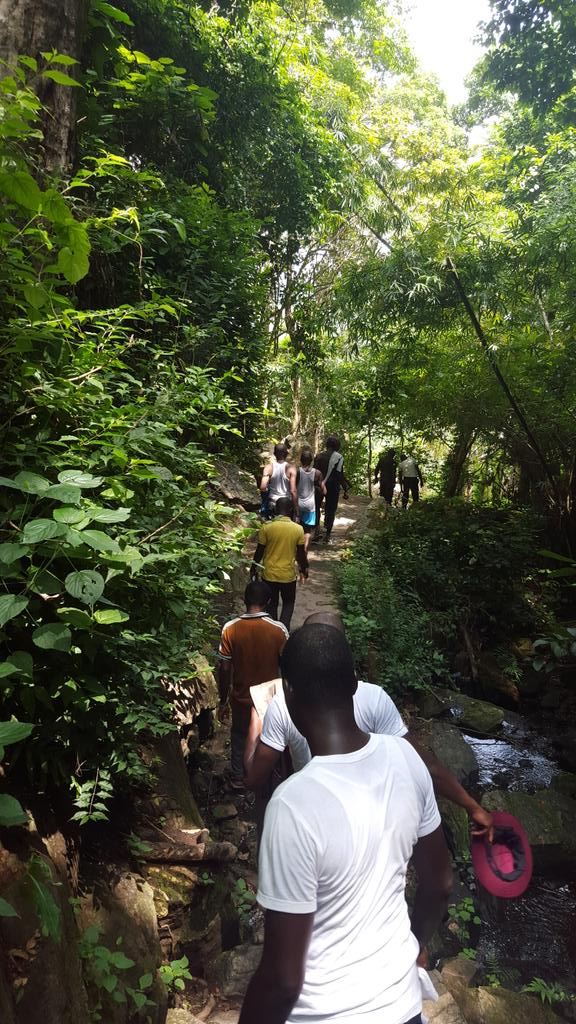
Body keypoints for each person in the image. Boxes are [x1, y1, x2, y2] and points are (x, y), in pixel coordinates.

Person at [239, 623, 453, 1024]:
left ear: (288, 693)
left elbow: (283, 980)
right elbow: (440, 884)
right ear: (355, 683)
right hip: (402, 1007)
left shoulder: (291, 805)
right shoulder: (406, 760)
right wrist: (414, 945)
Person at [244, 612, 493, 837]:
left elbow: (255, 778)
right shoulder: (375, 698)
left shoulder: (283, 703)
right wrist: (472, 806)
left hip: (314, 819)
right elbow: (424, 764)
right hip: (371, 821)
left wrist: (255, 721)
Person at [218, 580, 288, 790]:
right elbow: (287, 666)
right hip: (270, 699)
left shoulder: (230, 629)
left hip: (241, 696)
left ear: (244, 600)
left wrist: (223, 700)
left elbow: (224, 668)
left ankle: (239, 778)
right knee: (271, 738)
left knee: (239, 735)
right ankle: (268, 777)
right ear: (268, 602)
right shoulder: (279, 630)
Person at [251, 497, 308, 630]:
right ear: (291, 510)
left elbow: (259, 551)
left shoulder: (267, 527)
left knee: (272, 604)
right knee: (288, 603)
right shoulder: (298, 529)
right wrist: (304, 568)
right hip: (287, 576)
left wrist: (253, 568)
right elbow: (301, 553)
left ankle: (273, 630)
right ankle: (284, 628)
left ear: (276, 510)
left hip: (268, 575)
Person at [314, 435, 349, 544]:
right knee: (330, 509)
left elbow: (314, 473)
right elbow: (339, 474)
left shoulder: (319, 456)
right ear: (337, 446)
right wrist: (345, 487)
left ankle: (316, 531)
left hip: (318, 486)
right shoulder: (339, 457)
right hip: (333, 486)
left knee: (316, 507)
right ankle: (327, 534)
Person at [296, 448, 325, 552]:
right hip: (310, 506)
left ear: (300, 460)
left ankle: (296, 550)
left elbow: (293, 489)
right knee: (307, 531)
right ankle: (304, 551)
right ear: (312, 460)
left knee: (297, 529)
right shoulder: (317, 473)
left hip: (298, 504)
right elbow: (324, 491)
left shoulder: (297, 472)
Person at [260, 444, 297, 518]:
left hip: (273, 502)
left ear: (274, 454)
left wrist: (268, 490)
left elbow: (263, 487)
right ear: (286, 454)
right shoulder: (291, 468)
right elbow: (293, 491)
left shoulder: (268, 467)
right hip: (287, 504)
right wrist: (297, 510)